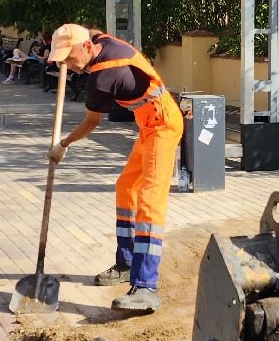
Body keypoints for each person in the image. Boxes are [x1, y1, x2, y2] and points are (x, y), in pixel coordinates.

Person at [46, 23, 181, 312]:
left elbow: (91, 122)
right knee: (125, 187)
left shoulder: (102, 78)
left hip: (163, 124)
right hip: (148, 125)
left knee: (149, 198)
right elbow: (91, 30)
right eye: (63, 61)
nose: (69, 66)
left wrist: (63, 145)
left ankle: (146, 287)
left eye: (70, 59)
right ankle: (127, 262)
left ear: (86, 49)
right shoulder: (98, 41)